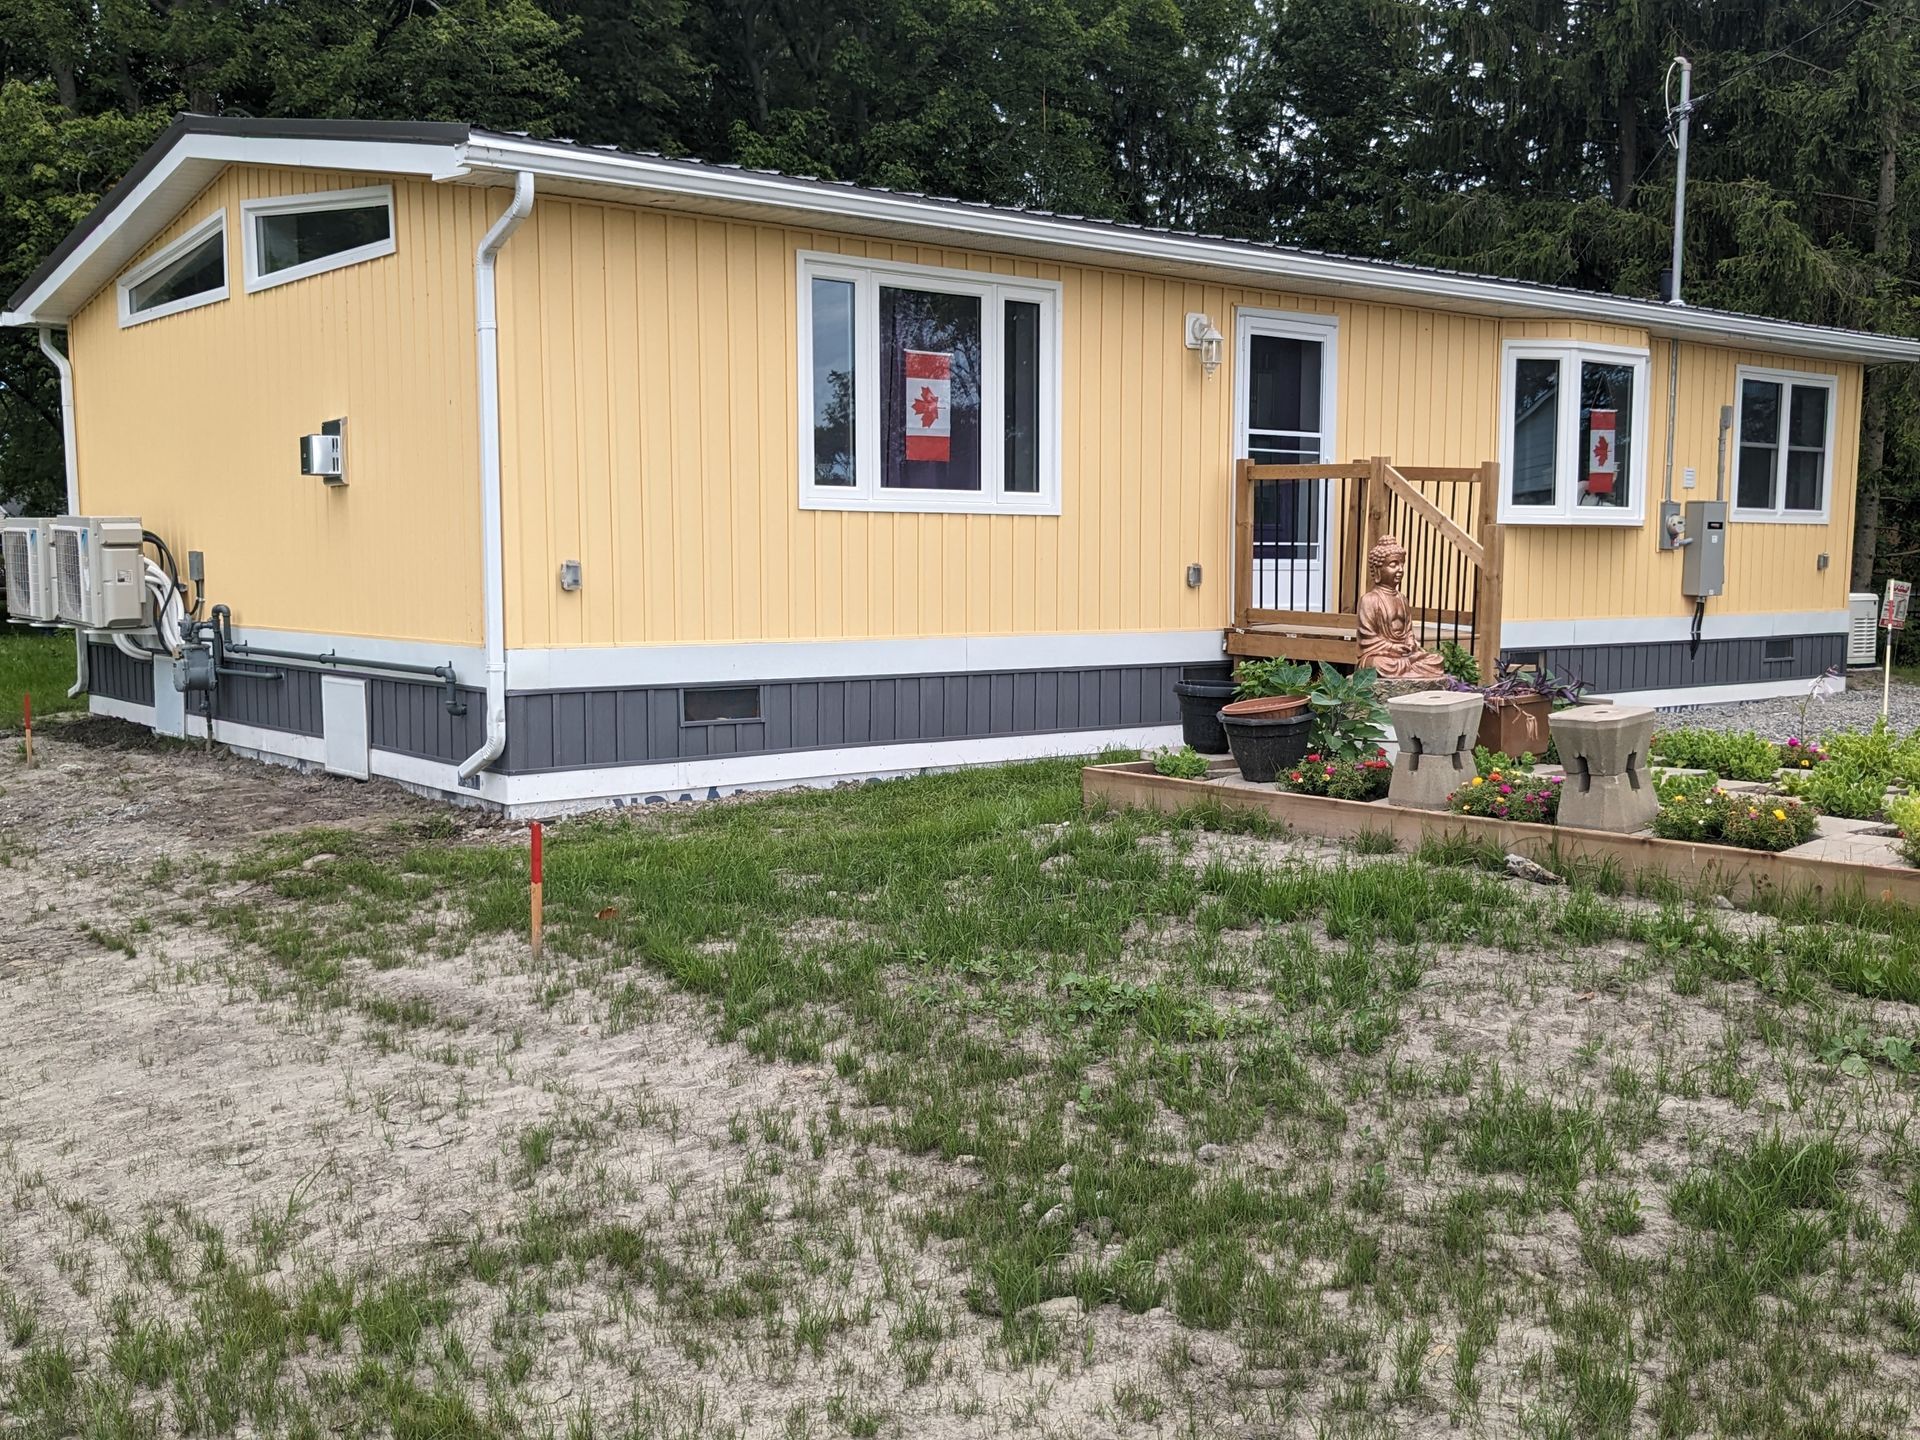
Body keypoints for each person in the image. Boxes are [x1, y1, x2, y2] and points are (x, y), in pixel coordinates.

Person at [1356, 535, 1447, 679]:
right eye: (1393, 565)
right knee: (1378, 664)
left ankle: (1408, 665)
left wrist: (1409, 642)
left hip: (1404, 653)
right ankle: (1407, 666)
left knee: (1435, 660)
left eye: (1402, 564)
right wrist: (1393, 648)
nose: (1400, 570)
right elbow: (1367, 638)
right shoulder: (1370, 600)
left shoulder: (1402, 598)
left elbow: (1408, 630)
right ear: (1377, 570)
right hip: (1382, 654)